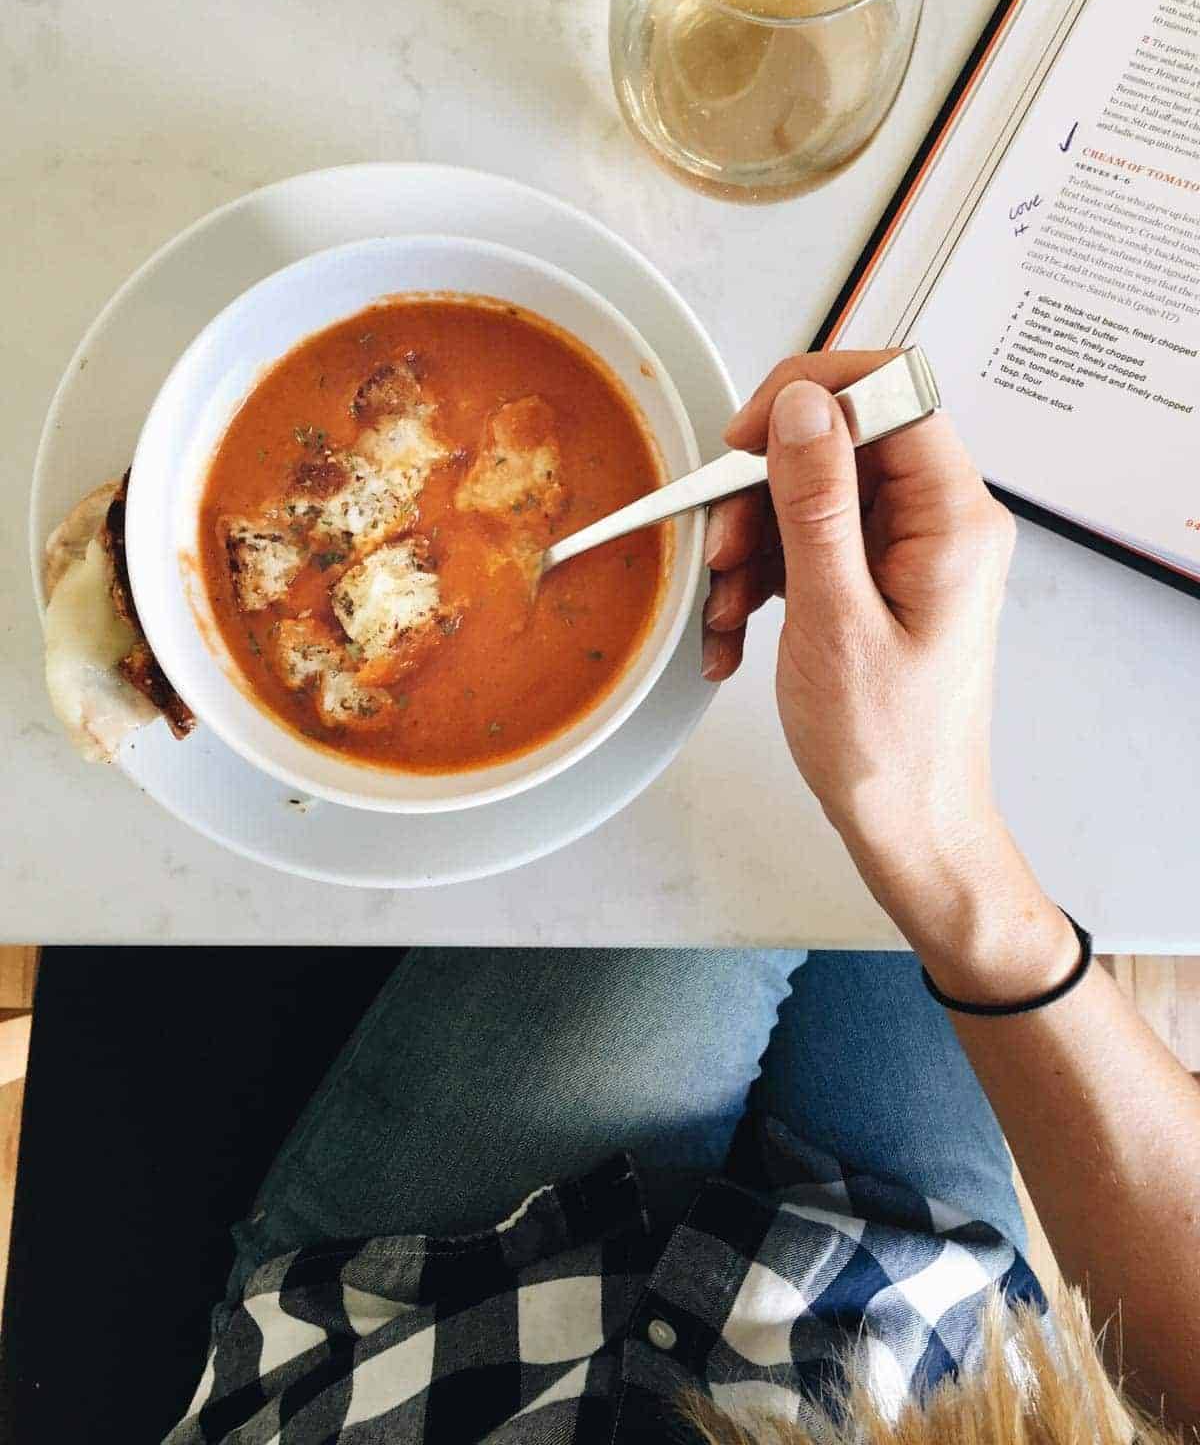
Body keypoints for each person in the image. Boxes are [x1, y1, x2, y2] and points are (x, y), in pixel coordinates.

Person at [164, 352, 1200, 1445]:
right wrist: (944, 856)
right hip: (924, 1312)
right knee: (782, 781)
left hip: (436, 1309)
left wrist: (926, 830)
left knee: (719, 779)